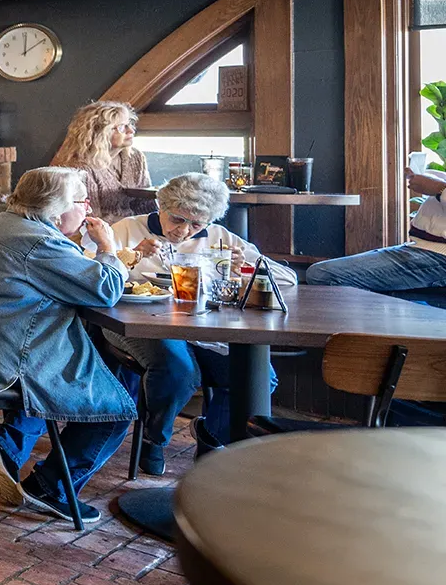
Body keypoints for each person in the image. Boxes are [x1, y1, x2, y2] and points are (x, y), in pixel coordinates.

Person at [0, 166, 134, 524]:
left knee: (70, 373)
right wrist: (108, 248)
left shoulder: (0, 226)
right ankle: (51, 487)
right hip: (1, 356)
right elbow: (104, 290)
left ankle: (9, 445)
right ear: (55, 208)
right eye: (81, 201)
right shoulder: (39, 242)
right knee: (115, 409)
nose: (87, 209)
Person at [108, 173, 289, 473]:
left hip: (204, 329)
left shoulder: (219, 237)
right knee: (179, 368)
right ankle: (155, 439)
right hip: (144, 325)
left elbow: (286, 279)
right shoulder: (127, 229)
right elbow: (94, 270)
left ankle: (213, 442)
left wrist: (243, 268)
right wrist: (132, 255)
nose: (185, 231)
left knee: (256, 374)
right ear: (160, 206)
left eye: (196, 224)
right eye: (178, 220)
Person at [305, 164, 446, 301]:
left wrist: (440, 188)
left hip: (439, 256)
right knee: (320, 274)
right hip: (422, 248)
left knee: (322, 275)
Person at [50, 100, 149, 223]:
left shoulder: (136, 157)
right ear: (100, 132)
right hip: (102, 234)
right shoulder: (80, 167)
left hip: (137, 228)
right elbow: (91, 220)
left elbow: (146, 204)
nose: (131, 131)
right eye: (122, 127)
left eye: (130, 124)